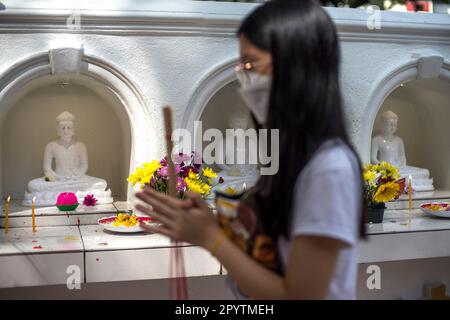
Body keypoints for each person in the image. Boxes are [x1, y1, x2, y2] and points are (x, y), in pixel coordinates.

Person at [136, 0, 366, 300]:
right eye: (241, 66)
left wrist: (212, 238)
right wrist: (211, 223)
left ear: (294, 66)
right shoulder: (293, 158)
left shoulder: (329, 168)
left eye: (251, 64)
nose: (244, 79)